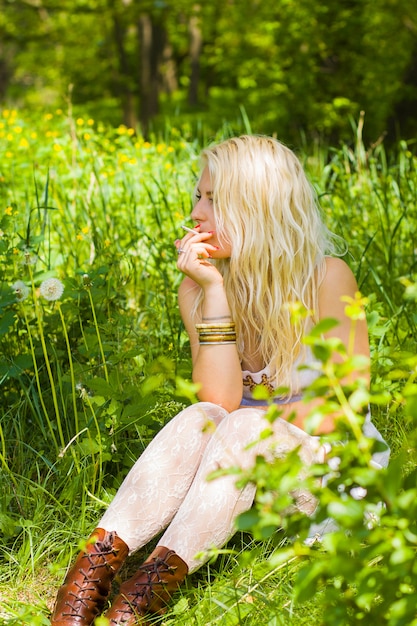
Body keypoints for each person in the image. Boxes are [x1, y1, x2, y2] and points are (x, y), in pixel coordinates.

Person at [50, 135, 389, 625]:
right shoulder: (200, 285)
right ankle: (88, 582)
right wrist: (213, 294)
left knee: (241, 426)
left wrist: (250, 424)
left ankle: (143, 597)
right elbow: (219, 398)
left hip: (333, 475)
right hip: (247, 472)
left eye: (214, 199)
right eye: (197, 195)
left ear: (257, 207)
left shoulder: (328, 278)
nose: (197, 212)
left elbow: (345, 405)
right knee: (201, 416)